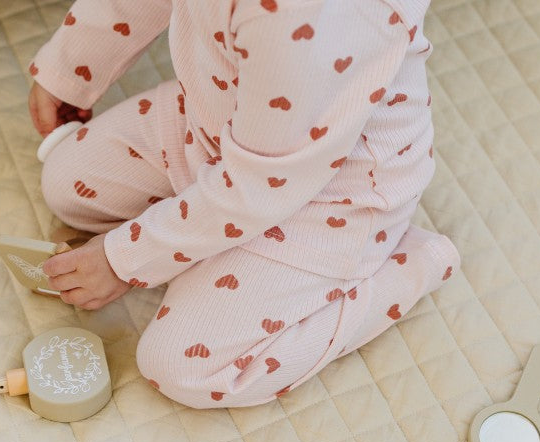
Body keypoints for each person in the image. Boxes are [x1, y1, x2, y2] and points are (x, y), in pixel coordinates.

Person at [29, 0, 459, 408]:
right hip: (218, 120)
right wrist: (67, 73)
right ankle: (209, 238)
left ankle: (410, 262)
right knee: (68, 187)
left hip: (329, 194)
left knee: (183, 368)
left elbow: (260, 185)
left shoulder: (305, 19)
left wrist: (126, 259)